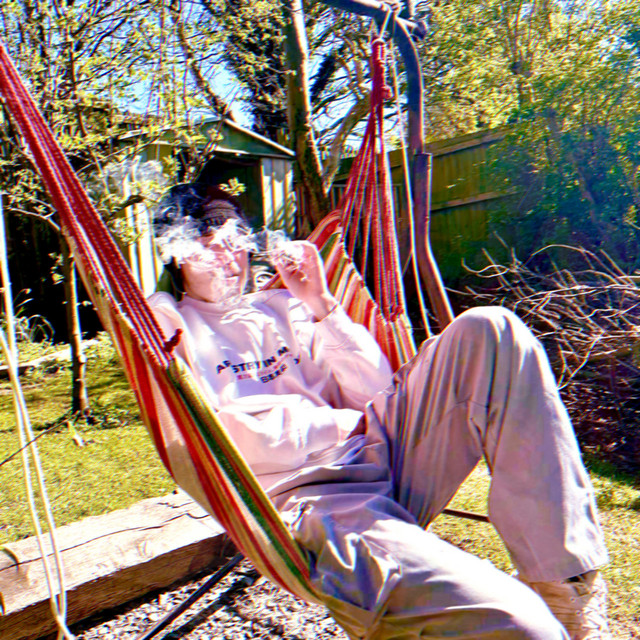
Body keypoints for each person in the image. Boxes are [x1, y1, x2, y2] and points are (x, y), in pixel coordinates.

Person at [148, 184, 611, 640]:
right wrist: (341, 423)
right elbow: (234, 439)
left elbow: (375, 389)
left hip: (387, 451)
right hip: (318, 501)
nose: (229, 251)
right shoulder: (169, 324)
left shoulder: (284, 305)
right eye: (208, 235)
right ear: (177, 251)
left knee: (493, 328)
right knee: (524, 629)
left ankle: (565, 586)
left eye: (235, 233)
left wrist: (321, 304)